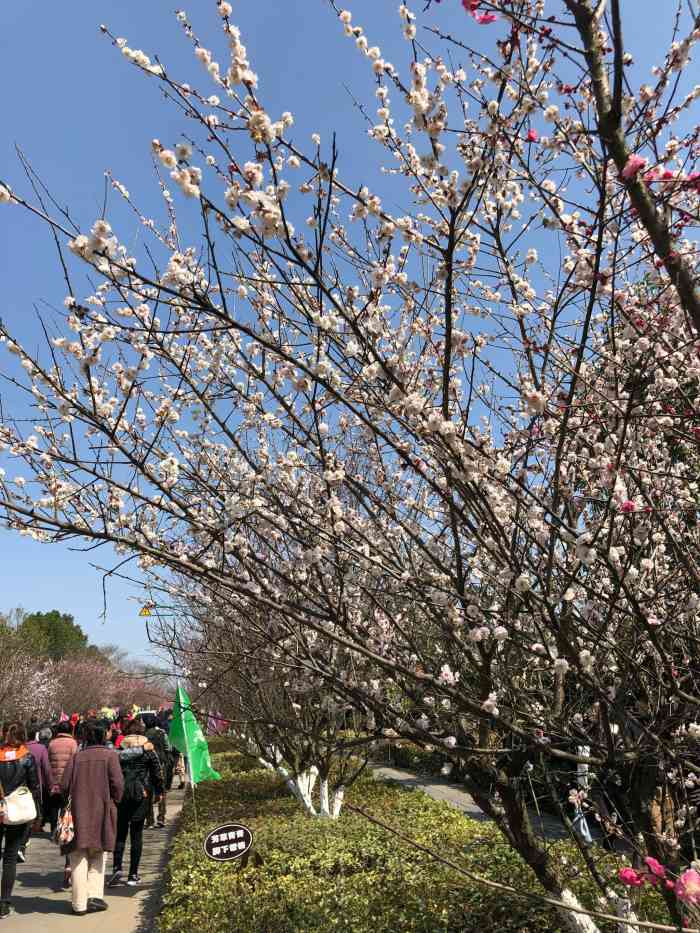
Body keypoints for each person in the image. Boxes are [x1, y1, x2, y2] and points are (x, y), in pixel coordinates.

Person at [60, 721, 123, 916]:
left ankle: (79, 904)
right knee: (98, 854)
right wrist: (115, 801)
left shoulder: (77, 757)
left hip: (78, 813)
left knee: (78, 857)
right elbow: (118, 785)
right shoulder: (110, 756)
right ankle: (94, 898)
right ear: (103, 735)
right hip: (102, 811)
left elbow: (64, 785)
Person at [109, 718, 163, 887]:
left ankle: (117, 868)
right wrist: (160, 791)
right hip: (142, 794)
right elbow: (157, 772)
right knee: (137, 834)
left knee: (120, 833)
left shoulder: (121, 750)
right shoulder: (149, 750)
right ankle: (133, 875)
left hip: (122, 795)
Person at [0, 722, 41, 919]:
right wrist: (38, 814)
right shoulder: (27, 757)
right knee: (10, 857)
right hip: (17, 810)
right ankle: (4, 903)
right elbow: (34, 786)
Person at [47, 721, 78, 888]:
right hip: (69, 786)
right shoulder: (73, 744)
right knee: (68, 819)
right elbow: (75, 765)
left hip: (54, 784)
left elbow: (49, 764)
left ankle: (55, 830)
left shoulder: (52, 744)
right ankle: (68, 864)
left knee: (56, 811)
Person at [19, 730, 52, 862]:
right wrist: (50, 784)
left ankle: (20, 842)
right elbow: (46, 768)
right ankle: (22, 843)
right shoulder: (41, 748)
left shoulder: (21, 749)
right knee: (30, 814)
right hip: (35, 785)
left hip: (17, 786)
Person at [141, 714, 171, 828]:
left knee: (148, 793)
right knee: (161, 790)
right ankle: (161, 818)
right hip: (161, 765)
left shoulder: (143, 735)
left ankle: (149, 821)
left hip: (147, 767)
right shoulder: (162, 733)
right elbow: (168, 748)